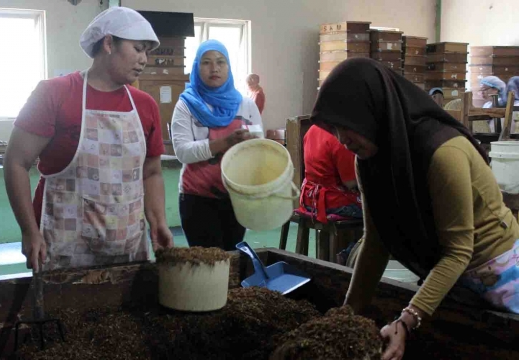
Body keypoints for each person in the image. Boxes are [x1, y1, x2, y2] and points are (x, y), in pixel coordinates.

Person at [311, 58, 519, 360]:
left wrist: (407, 321)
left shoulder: (443, 153)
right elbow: (376, 241)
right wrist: (346, 315)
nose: (343, 141)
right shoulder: (368, 161)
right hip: (448, 276)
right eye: (334, 130)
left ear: (373, 111)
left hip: (500, 273)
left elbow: (459, 250)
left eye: (347, 127)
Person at [4, 7, 173, 272]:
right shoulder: (54, 94)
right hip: (62, 245)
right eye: (138, 48)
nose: (144, 59)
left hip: (127, 244)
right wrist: (29, 231)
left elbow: (151, 173)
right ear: (108, 43)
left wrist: (158, 221)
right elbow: (16, 162)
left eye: (146, 52)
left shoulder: (145, 105)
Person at [171, 40, 262, 251]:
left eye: (221, 62)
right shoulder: (187, 105)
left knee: (232, 261)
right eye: (206, 62)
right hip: (197, 199)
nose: (214, 68)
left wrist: (251, 145)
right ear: (196, 67)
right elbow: (183, 152)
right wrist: (225, 142)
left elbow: (259, 145)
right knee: (209, 266)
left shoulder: (246, 105)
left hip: (236, 198)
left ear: (229, 67)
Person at [298, 124, 361, 224]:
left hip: (309, 200)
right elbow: (351, 183)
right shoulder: (342, 137)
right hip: (332, 203)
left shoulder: (312, 129)